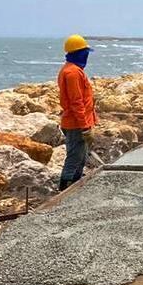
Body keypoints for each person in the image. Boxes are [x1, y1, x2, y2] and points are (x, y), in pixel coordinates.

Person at [57, 34, 97, 191]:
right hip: (76, 124)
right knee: (74, 157)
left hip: (78, 122)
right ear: (78, 53)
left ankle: (75, 187)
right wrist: (85, 126)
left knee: (81, 157)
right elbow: (76, 102)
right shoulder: (72, 73)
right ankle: (65, 189)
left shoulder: (72, 70)